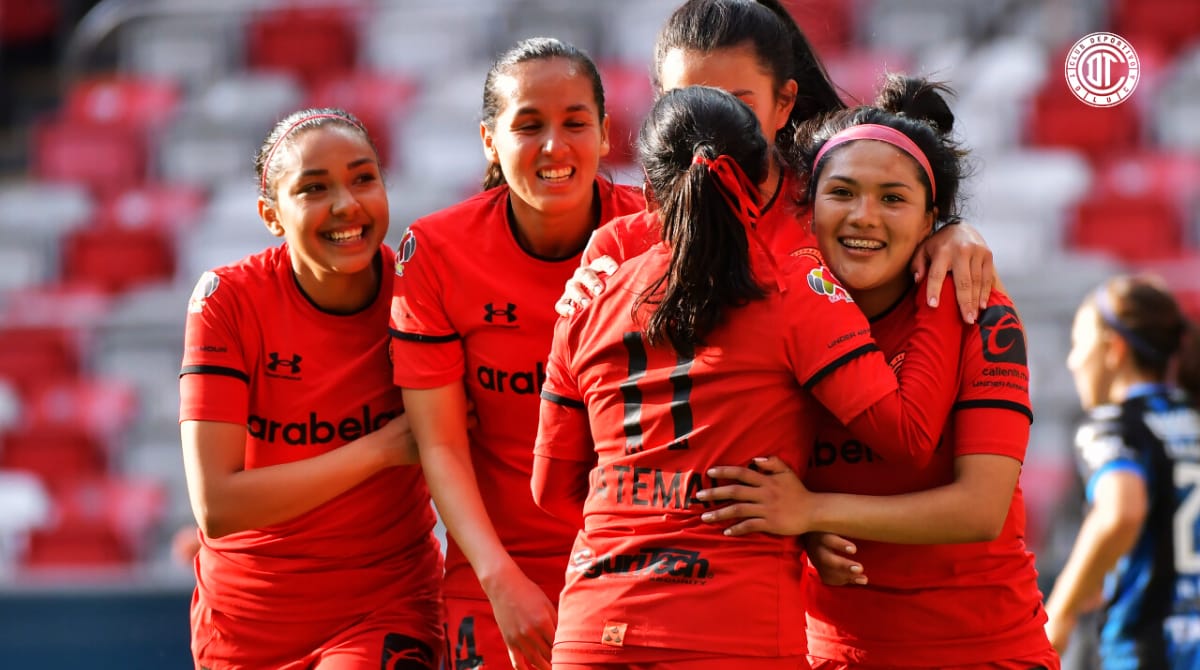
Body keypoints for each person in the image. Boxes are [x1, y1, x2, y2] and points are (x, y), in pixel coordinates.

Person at [532, 84, 968, 669]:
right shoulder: (794, 289)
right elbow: (909, 436)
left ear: (650, 188)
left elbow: (550, 491)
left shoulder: (587, 299)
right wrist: (942, 285)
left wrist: (649, 521)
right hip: (731, 628)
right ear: (768, 184)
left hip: (592, 627)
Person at [695, 75, 1059, 669]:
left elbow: (979, 509)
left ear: (930, 219)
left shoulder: (981, 311)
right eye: (842, 193)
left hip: (986, 651)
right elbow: (756, 491)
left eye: (893, 198)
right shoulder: (774, 317)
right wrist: (805, 532)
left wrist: (814, 511)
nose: (864, 217)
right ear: (809, 208)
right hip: (834, 655)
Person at [388, 38, 646, 670]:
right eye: (528, 125)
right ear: (488, 140)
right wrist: (500, 581)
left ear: (606, 133)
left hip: (642, 568)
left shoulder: (658, 235)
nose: (553, 146)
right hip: (497, 578)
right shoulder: (438, 251)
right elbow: (441, 444)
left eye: (574, 123)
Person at [179, 108, 445, 669]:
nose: (346, 204)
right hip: (244, 630)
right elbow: (217, 505)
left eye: (363, 177)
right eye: (314, 188)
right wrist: (384, 449)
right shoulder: (226, 300)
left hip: (386, 609)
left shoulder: (422, 296)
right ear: (271, 215)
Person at [557, 0, 996, 325]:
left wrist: (950, 233)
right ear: (659, 103)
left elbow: (985, 337)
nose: (712, 124)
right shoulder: (619, 245)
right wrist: (580, 316)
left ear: (784, 102)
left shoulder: (833, 218)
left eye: (737, 104)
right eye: (687, 102)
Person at [1044, 275, 1200, 668]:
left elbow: (1120, 512)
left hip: (1149, 651)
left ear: (1114, 350)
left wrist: (1059, 612)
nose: (1072, 360)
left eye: (1079, 344)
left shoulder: (1112, 425)